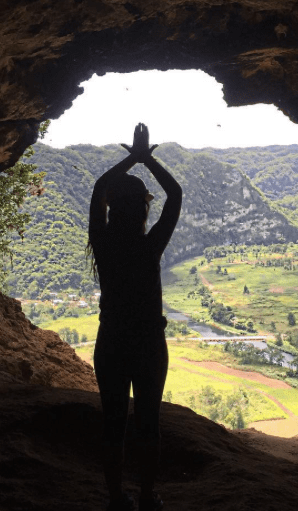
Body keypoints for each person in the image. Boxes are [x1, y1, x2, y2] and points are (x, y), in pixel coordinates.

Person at [88, 123, 182, 511]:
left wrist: (132, 157)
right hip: (147, 343)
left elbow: (97, 189)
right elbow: (175, 194)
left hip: (111, 341)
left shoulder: (103, 244)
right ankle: (147, 496)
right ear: (144, 208)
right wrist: (147, 158)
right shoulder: (150, 246)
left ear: (113, 207)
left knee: (113, 422)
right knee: (148, 421)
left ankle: (114, 498)